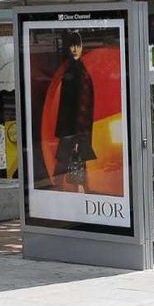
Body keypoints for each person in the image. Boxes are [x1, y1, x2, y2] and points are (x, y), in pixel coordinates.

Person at [53, 30, 96, 193]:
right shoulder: (73, 70)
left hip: (75, 126)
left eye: (78, 45)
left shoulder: (75, 69)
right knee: (68, 157)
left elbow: (82, 103)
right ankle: (80, 187)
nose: (75, 49)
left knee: (69, 157)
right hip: (74, 126)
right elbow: (73, 104)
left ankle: (78, 187)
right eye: (72, 46)